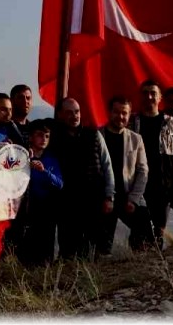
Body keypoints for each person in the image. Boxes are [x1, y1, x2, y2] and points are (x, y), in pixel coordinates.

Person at [47, 97, 114, 260]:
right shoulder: (54, 138)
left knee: (99, 247)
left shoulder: (94, 135)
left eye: (76, 111)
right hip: (67, 203)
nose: (74, 116)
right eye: (69, 112)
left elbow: (107, 166)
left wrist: (109, 196)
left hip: (94, 200)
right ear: (61, 114)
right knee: (69, 249)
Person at [128, 80, 173, 248]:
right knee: (138, 228)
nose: (149, 97)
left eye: (153, 93)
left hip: (162, 184)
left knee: (158, 229)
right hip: (136, 184)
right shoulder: (131, 121)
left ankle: (155, 263)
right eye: (145, 93)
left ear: (160, 97)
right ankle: (135, 262)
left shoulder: (171, 123)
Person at [96, 96, 153, 255]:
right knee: (102, 245)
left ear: (129, 115)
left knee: (147, 237)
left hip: (130, 196)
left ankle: (138, 264)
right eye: (116, 112)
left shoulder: (136, 139)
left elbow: (143, 171)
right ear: (109, 112)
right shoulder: (97, 136)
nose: (120, 116)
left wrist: (133, 199)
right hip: (105, 198)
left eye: (124, 113)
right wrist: (105, 198)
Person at [11, 119, 62, 265]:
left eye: (47, 136)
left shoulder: (51, 159)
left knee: (46, 251)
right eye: (40, 135)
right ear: (31, 137)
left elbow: (59, 183)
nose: (44, 139)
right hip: (27, 210)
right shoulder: (22, 157)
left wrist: (44, 172)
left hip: (47, 210)